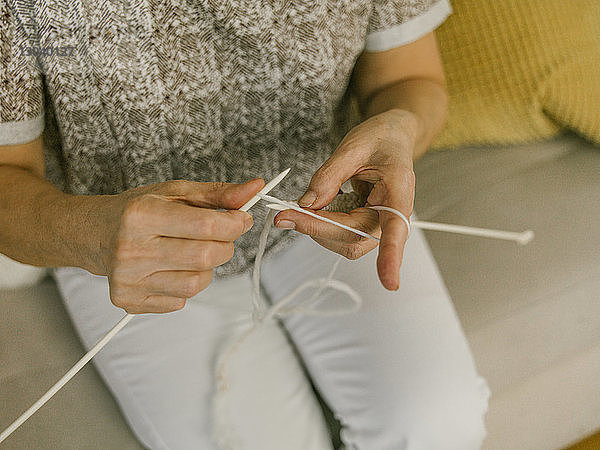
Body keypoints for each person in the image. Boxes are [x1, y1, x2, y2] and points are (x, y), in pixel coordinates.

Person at [0, 0, 490, 448]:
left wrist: (400, 129)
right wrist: (92, 236)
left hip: (332, 207)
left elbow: (408, 79)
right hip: (131, 245)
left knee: (438, 425)